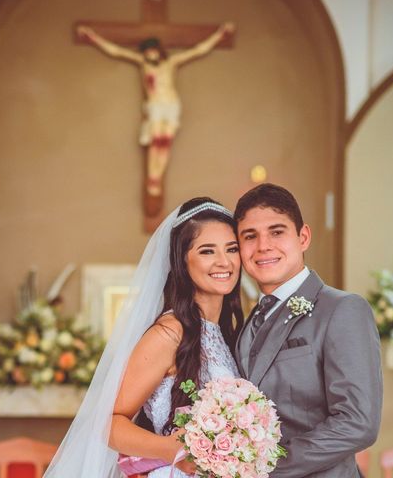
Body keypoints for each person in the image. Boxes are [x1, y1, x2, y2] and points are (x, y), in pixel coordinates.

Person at [44, 197, 244, 477]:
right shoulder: (169, 334)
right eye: (207, 251)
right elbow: (108, 423)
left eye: (232, 249)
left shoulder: (227, 332)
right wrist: (171, 448)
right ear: (182, 261)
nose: (224, 262)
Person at [233, 183, 383, 478]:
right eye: (250, 236)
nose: (263, 246)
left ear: (303, 237)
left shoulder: (343, 309)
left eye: (277, 232)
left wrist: (264, 469)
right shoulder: (250, 319)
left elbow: (358, 423)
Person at [77, 24, 234, 216]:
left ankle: (156, 177)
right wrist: (93, 37)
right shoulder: (142, 63)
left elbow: (197, 50)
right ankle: (154, 178)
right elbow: (116, 51)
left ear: (158, 50)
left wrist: (219, 35)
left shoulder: (171, 63)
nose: (150, 54)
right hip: (155, 107)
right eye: (146, 51)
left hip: (171, 106)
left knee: (164, 143)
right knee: (155, 142)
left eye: (152, 50)